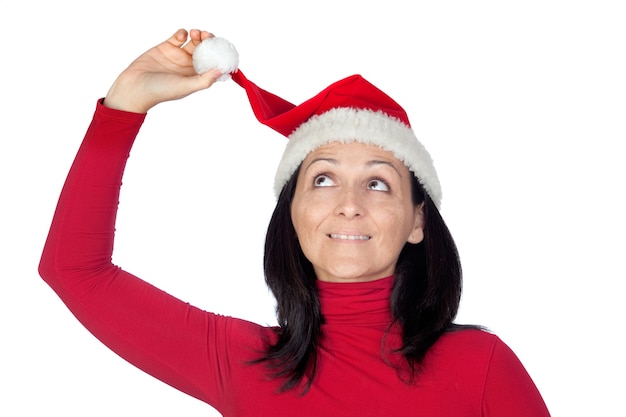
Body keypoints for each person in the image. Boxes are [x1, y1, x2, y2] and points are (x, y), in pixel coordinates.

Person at [39, 28, 550, 416]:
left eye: (377, 183)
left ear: (418, 221)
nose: (349, 203)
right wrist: (124, 106)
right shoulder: (240, 362)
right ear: (293, 214)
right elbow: (73, 270)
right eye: (323, 180)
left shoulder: (481, 365)